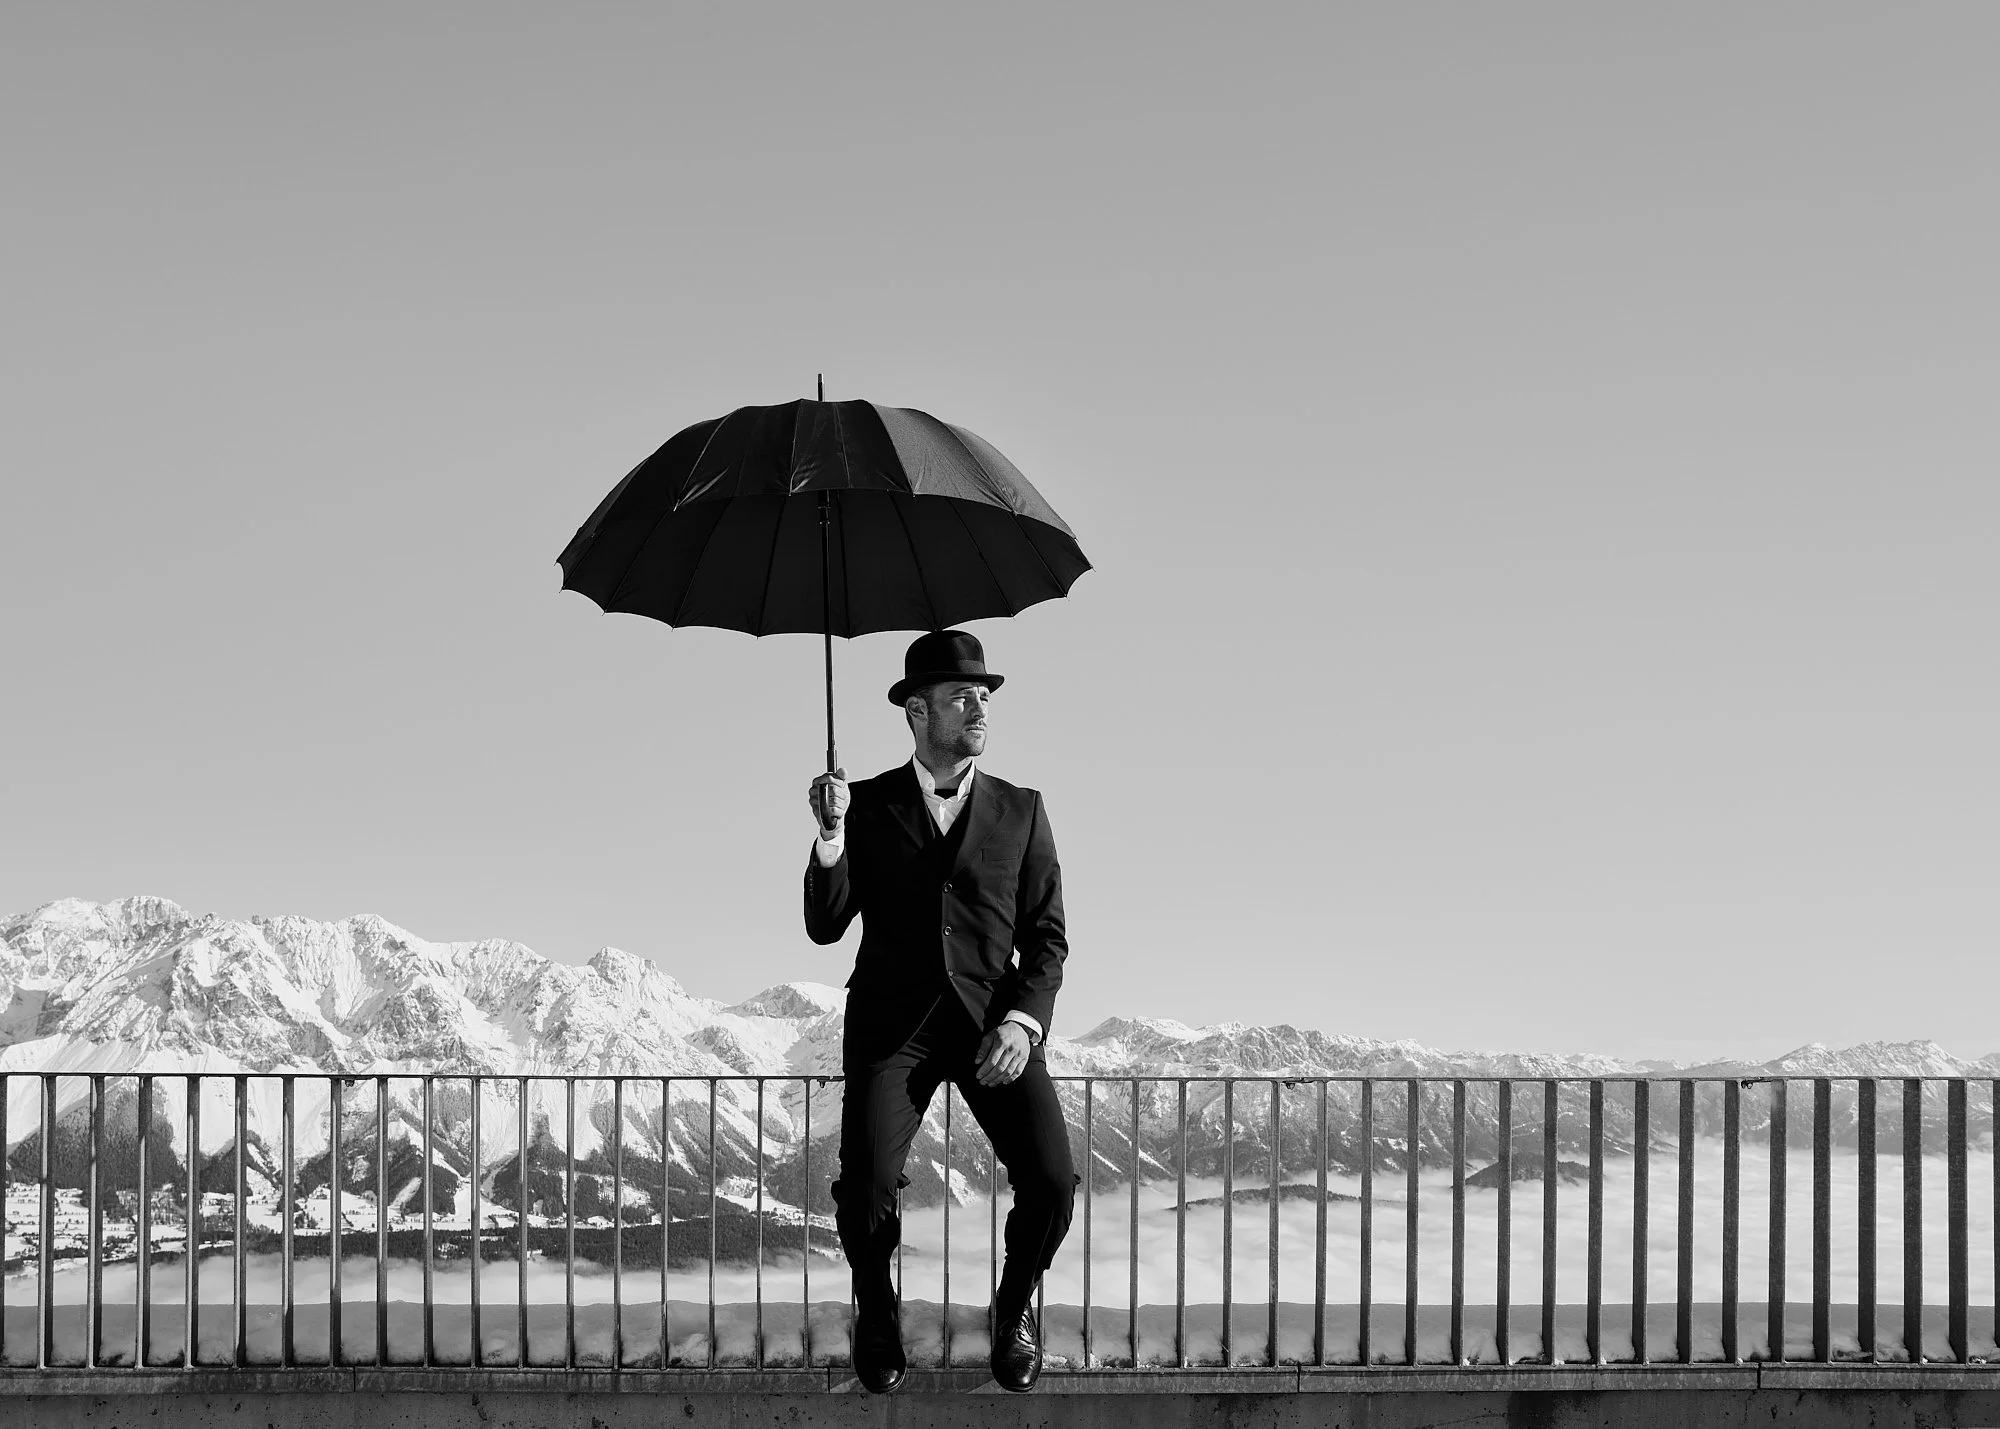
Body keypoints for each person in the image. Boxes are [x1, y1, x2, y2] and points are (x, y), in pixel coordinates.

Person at [803, 628, 1074, 1394]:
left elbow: (1048, 941)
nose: (979, 705)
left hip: (994, 1030)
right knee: (863, 1186)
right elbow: (826, 925)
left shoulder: (1023, 810)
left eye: (984, 694)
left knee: (1053, 1180)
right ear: (917, 711)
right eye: (962, 696)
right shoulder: (870, 805)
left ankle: (1014, 1304)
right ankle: (878, 1308)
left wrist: (1023, 1024)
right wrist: (831, 837)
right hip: (894, 1030)